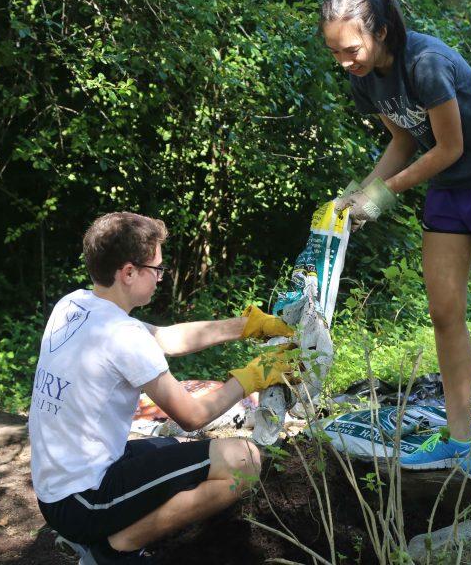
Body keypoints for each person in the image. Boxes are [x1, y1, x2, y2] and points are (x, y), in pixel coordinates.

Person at [321, 0, 471, 481]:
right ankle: (459, 439)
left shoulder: (425, 62)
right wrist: (358, 192)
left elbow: (449, 147)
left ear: (378, 30)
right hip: (448, 190)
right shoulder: (364, 79)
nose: (344, 61)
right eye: (334, 52)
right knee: (444, 310)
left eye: (350, 49)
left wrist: (383, 194)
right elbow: (402, 140)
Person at [29, 211, 295, 564]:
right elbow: (193, 415)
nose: (160, 278)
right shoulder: (122, 336)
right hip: (85, 499)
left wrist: (246, 325)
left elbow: (167, 338)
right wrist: (252, 377)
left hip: (58, 489)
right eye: (156, 269)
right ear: (128, 272)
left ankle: (95, 537)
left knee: (183, 449)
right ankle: (113, 547)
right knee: (243, 460)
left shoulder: (74, 305)